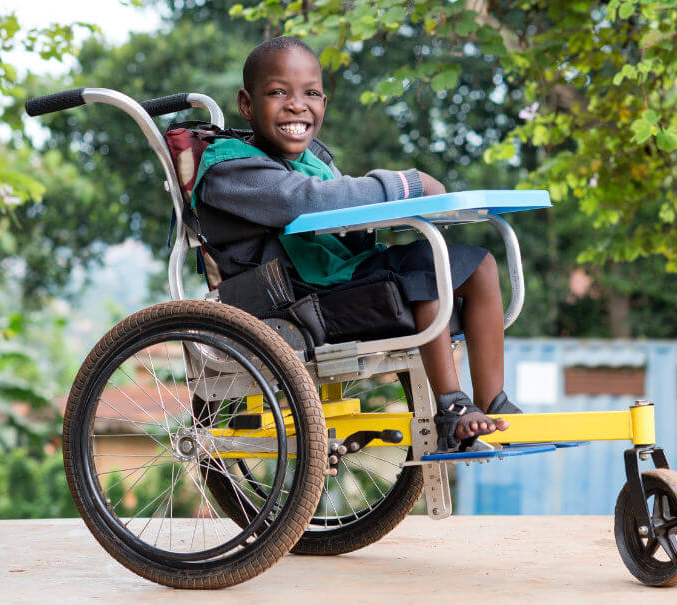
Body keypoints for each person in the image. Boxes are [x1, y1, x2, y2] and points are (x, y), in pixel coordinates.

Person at [192, 36, 520, 452]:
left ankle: (496, 403)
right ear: (246, 104)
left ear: (324, 104)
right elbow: (308, 201)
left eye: (311, 93)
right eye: (278, 93)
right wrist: (407, 184)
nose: (297, 104)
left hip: (335, 281)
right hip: (293, 301)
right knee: (426, 265)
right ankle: (452, 406)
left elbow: (344, 212)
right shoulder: (232, 170)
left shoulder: (313, 161)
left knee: (478, 265)